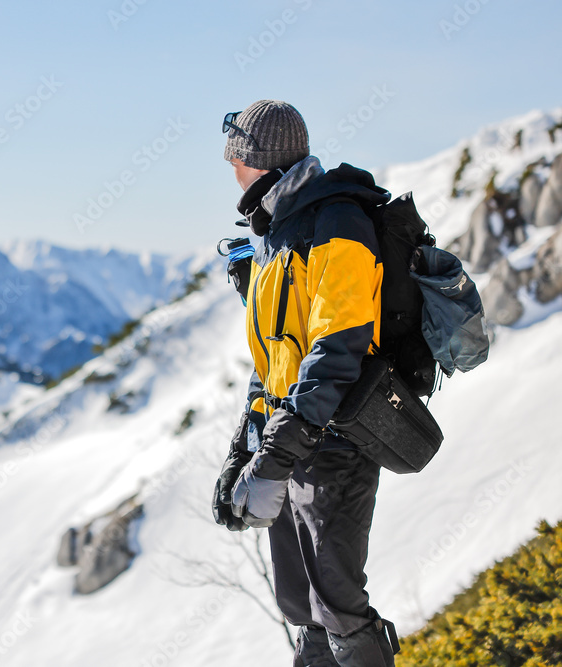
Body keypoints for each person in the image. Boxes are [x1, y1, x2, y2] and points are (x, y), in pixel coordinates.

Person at [210, 100, 400, 667]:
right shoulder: (275, 232)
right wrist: (244, 446)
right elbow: (273, 360)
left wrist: (277, 452)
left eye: (236, 159)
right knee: (301, 603)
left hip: (335, 439)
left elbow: (337, 349)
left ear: (257, 161)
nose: (232, 171)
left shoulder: (337, 223)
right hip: (291, 439)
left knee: (337, 602)